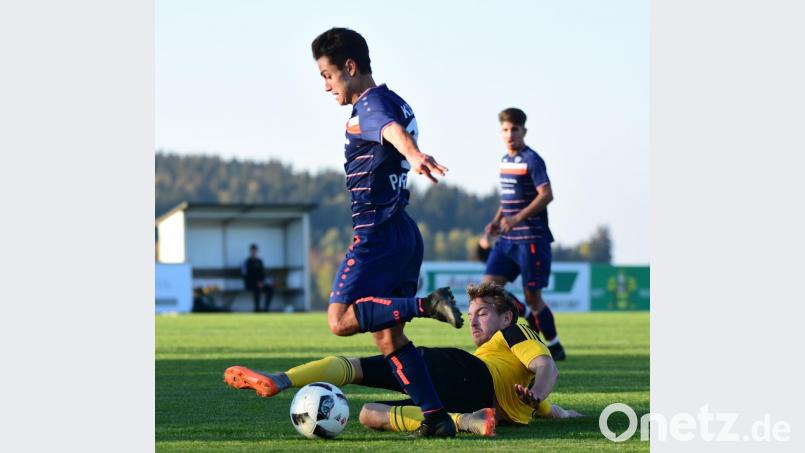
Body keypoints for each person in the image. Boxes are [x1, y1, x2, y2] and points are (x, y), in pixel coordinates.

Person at [308, 27, 463, 437]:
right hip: (403, 233)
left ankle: (427, 304)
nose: (326, 86)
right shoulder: (394, 99)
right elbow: (394, 126)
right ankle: (436, 417)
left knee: (339, 321)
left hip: (376, 234)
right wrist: (412, 152)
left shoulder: (370, 106)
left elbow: (391, 130)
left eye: (327, 76)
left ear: (350, 67)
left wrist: (414, 154)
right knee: (389, 339)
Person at [224, 282, 581, 436]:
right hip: (477, 401)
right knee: (368, 414)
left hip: (466, 372)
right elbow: (541, 403)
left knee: (360, 367)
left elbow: (545, 367)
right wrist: (560, 411)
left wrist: (542, 394)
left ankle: (283, 379)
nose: (473, 321)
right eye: (471, 314)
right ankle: (466, 422)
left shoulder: (515, 332)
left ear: (506, 317)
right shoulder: (519, 387)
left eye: (483, 314)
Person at [484, 108, 566, 360]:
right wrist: (496, 220)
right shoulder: (505, 161)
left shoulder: (532, 160)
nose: (510, 135)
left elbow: (546, 194)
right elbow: (508, 198)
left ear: (524, 131)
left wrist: (517, 218)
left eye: (514, 129)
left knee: (533, 297)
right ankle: (527, 316)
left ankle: (554, 346)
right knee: (487, 289)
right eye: (505, 130)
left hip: (531, 239)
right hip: (507, 240)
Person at [241, 244, 274, 312]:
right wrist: (256, 282)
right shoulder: (246, 262)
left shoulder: (260, 261)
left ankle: (266, 309)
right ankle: (257, 309)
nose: (254, 252)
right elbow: (245, 275)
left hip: (260, 283)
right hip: (250, 284)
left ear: (257, 251)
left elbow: (263, 274)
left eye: (255, 251)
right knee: (257, 288)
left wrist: (262, 282)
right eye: (252, 251)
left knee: (270, 288)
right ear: (250, 251)